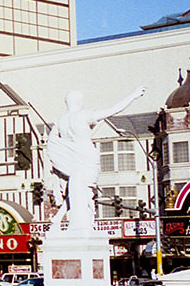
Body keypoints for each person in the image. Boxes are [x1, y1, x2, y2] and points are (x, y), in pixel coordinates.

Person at [45, 86, 145, 233]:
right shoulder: (83, 115)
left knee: (76, 189)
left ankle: (60, 218)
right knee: (84, 191)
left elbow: (51, 142)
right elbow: (113, 110)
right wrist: (132, 96)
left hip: (71, 159)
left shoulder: (60, 121)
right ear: (79, 101)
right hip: (86, 155)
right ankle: (80, 223)